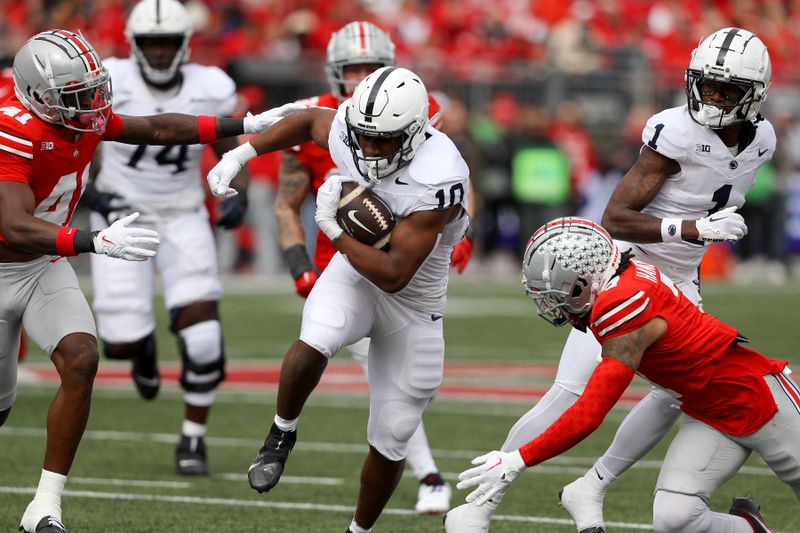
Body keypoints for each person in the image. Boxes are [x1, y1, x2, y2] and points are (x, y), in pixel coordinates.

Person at [444, 26, 775, 532]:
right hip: (627, 265)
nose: (710, 97)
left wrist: (695, 239)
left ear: (753, 96)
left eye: (725, 90)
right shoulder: (675, 132)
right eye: (705, 85)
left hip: (682, 279)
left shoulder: (763, 140)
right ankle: (479, 506)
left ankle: (592, 485)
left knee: (678, 391)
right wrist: (694, 227)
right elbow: (616, 215)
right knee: (572, 391)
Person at [0, 28, 292, 533]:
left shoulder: (74, 116)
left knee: (82, 357)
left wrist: (243, 124)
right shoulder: (13, 128)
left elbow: (156, 128)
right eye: (76, 96)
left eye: (92, 89)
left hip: (41, 266)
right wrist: (92, 240)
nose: (92, 104)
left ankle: (44, 506)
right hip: (7, 260)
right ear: (39, 97)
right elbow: (12, 225)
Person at [207, 66, 470, 533]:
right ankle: (280, 433)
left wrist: (331, 230)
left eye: (382, 141)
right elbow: (310, 121)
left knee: (392, 436)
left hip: (414, 301)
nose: (369, 149)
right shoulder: (353, 128)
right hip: (354, 274)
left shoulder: (440, 173)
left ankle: (358, 530)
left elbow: (394, 273)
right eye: (364, 137)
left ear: (414, 132)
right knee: (317, 337)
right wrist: (241, 155)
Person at [457, 217, 799, 532]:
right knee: (674, 516)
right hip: (708, 413)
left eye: (558, 296)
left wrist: (518, 458)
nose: (556, 306)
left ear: (581, 282)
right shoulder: (626, 273)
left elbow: (592, 411)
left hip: (759, 399)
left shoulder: (621, 302)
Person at [274, 20, 454, 514]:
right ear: (334, 73)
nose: (360, 80)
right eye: (351, 70)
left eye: (370, 69)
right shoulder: (324, 118)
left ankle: (428, 476)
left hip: (402, 263)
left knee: (399, 389)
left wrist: (463, 228)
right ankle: (430, 475)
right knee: (383, 385)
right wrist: (298, 265)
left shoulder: (418, 116)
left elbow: (448, 174)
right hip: (342, 266)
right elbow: (287, 204)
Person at [83, 0, 252, 478]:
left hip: (182, 215)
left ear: (184, 46)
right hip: (123, 214)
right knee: (117, 343)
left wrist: (232, 191)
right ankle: (143, 347)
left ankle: (193, 440)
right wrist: (93, 195)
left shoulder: (210, 87)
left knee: (203, 339)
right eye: (151, 44)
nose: (159, 53)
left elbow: (230, 150)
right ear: (134, 46)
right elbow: (80, 147)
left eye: (167, 43)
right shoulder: (110, 81)